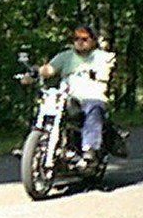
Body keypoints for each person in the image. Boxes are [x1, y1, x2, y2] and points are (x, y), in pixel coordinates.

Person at [21, 24, 116, 163]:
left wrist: (100, 72)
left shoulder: (101, 56)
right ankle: (32, 147)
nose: (80, 42)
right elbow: (49, 69)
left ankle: (89, 147)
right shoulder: (66, 56)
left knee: (93, 108)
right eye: (76, 38)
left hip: (92, 96)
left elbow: (107, 68)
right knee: (45, 108)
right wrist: (33, 73)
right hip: (67, 97)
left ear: (93, 41)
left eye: (84, 39)